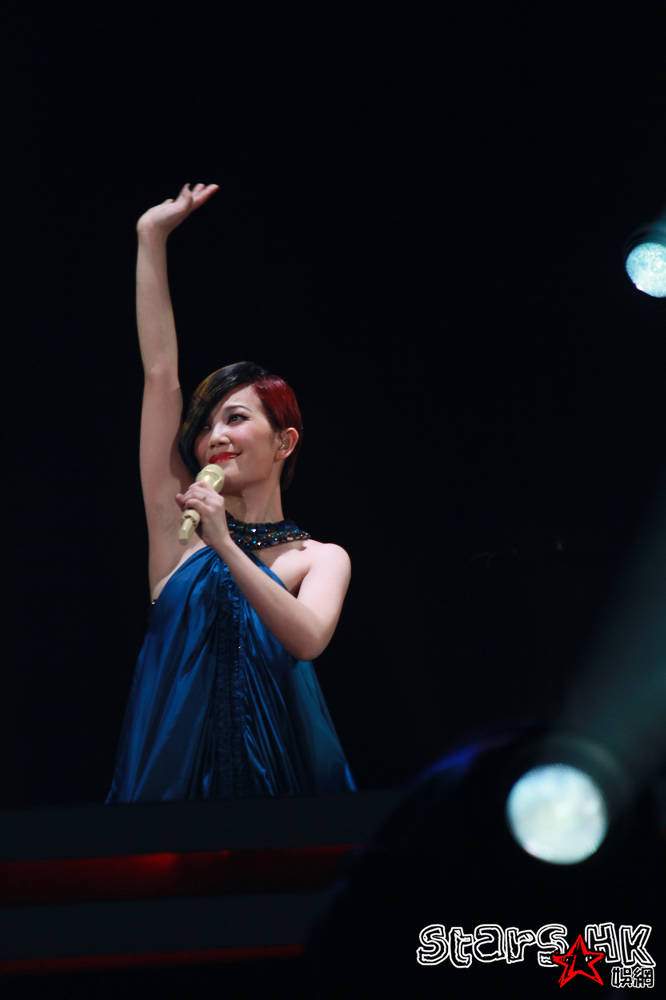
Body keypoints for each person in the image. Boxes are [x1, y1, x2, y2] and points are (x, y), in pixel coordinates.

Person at [105, 182, 356, 802]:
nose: (214, 436)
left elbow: (307, 638)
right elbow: (160, 373)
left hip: (282, 786)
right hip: (169, 790)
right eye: (205, 426)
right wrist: (150, 237)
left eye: (236, 418)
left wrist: (224, 543)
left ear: (284, 442)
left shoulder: (319, 558)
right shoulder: (177, 531)